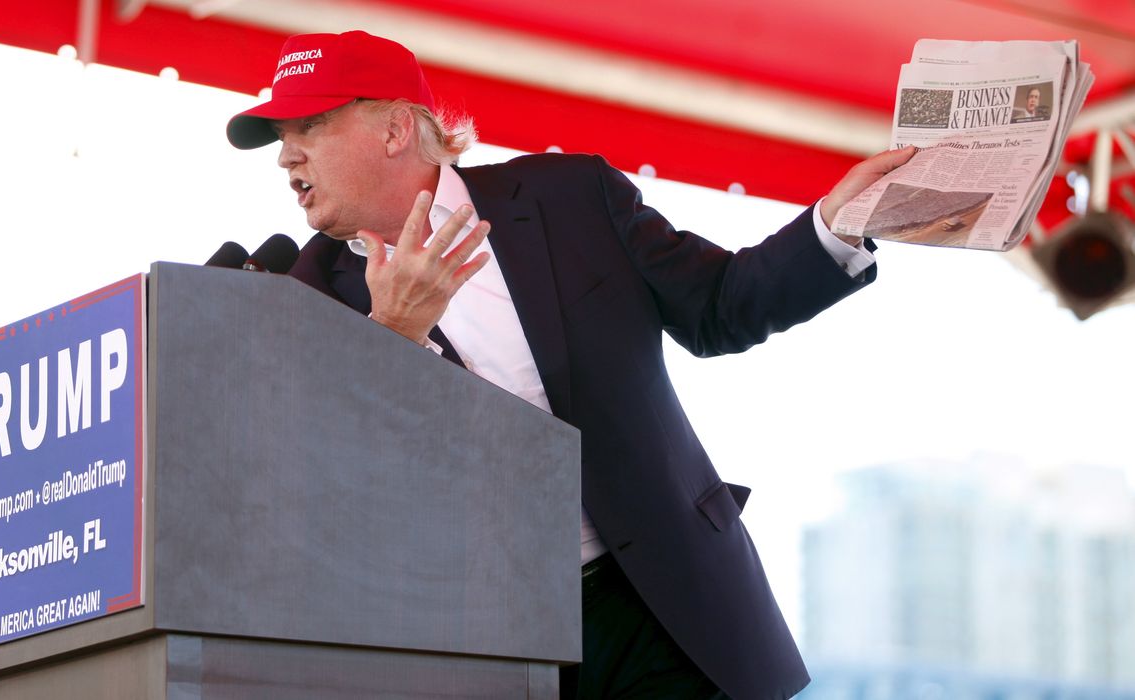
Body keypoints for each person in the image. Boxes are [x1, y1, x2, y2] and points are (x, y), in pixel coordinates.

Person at [227, 30, 913, 700]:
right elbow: (327, 495)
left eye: (309, 126)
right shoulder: (298, 299)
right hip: (479, 638)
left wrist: (836, 224)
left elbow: (720, 307)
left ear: (395, 129)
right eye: (280, 139)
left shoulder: (569, 197)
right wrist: (394, 332)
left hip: (657, 601)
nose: (288, 157)